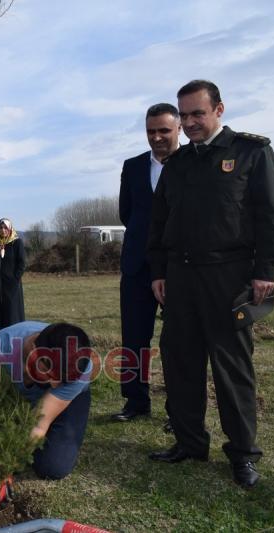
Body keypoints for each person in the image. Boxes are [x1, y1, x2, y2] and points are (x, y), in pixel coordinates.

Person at [147, 80, 274, 489]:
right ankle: (190, 443)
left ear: (219, 110)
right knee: (181, 362)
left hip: (229, 277)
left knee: (231, 369)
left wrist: (265, 272)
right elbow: (160, 223)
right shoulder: (178, 165)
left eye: (196, 114)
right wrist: (158, 272)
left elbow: (269, 217)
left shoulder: (250, 153)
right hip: (182, 278)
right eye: (183, 115)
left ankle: (242, 454)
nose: (188, 123)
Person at [111, 103, 181, 425]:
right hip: (137, 265)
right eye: (151, 131)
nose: (157, 137)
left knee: (179, 341)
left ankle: (179, 410)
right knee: (135, 338)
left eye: (164, 131)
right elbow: (127, 213)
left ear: (177, 129)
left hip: (179, 266)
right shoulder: (133, 166)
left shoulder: (191, 164)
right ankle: (135, 401)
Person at [0, 322, 93, 480]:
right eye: (50, 375)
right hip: (12, 399)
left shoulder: (78, 368)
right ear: (34, 351)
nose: (55, 385)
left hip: (65, 401)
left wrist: (9, 466)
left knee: (53, 467)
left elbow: (39, 424)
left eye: (62, 380)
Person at [0, 218, 25, 331]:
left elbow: (22, 263)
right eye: (0, 228)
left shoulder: (16, 242)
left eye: (5, 228)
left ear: (10, 229)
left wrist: (15, 278)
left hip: (11, 283)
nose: (3, 230)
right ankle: (0, 328)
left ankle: (13, 328)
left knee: (11, 306)